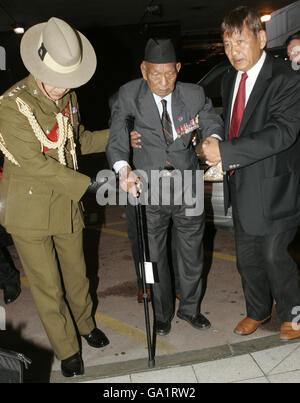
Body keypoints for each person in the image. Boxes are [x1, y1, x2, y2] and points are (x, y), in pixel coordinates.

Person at [0, 17, 110, 377]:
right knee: (48, 286)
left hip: (65, 205)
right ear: (37, 64)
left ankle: (85, 324)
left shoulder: (68, 95)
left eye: (69, 81)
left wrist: (121, 134)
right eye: (57, 80)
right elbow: (35, 165)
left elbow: (77, 140)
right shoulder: (12, 106)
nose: (62, 89)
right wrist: (87, 185)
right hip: (29, 211)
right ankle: (67, 349)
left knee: (78, 275)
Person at [106, 38, 223, 336]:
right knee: (152, 257)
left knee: (192, 253)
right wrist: (123, 168)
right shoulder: (130, 94)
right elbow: (117, 137)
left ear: (178, 68)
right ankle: (161, 313)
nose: (163, 81)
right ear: (144, 70)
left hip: (188, 185)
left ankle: (190, 309)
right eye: (155, 74)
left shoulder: (193, 94)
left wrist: (213, 138)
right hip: (148, 186)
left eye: (170, 73)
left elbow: (210, 119)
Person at [202, 6, 300, 341]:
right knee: (247, 258)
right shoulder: (231, 79)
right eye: (228, 45)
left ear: (261, 38)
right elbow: (235, 126)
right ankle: (257, 310)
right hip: (241, 183)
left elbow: (282, 132)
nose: (234, 52)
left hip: (276, 187)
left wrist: (226, 152)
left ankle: (294, 313)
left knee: (274, 256)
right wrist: (218, 144)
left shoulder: (287, 79)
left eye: (241, 42)